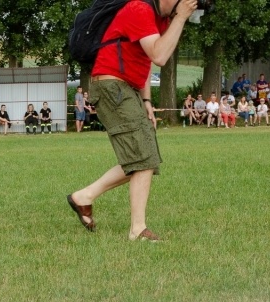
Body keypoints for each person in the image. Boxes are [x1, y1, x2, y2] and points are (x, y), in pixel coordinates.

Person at [66, 0, 197, 242]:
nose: (192, 12)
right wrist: (180, 18)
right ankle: (138, 230)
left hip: (127, 88)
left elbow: (145, 59)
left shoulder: (159, 18)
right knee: (143, 157)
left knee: (145, 158)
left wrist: (147, 101)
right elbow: (159, 56)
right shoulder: (139, 8)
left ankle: (84, 197)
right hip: (112, 85)